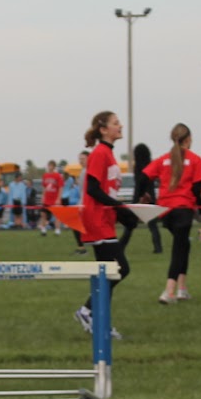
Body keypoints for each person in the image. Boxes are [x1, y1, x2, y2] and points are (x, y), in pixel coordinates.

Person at [74, 111, 131, 339]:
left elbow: (107, 190)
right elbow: (93, 190)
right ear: (104, 129)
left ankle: (99, 321)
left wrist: (121, 211)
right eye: (116, 123)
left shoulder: (108, 153)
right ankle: (88, 311)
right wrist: (119, 206)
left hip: (105, 220)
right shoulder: (100, 153)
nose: (121, 126)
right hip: (97, 221)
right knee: (119, 269)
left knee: (109, 271)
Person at [148, 124, 201, 305]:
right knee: (179, 249)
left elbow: (144, 176)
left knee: (183, 245)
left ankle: (182, 289)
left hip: (165, 211)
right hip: (183, 209)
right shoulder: (195, 159)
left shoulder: (163, 159)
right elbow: (198, 189)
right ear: (188, 139)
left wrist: (149, 197)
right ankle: (169, 291)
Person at [122, 143, 164, 254]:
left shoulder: (138, 167)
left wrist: (139, 197)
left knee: (130, 224)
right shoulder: (151, 165)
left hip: (139, 197)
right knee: (153, 225)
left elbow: (139, 183)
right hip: (150, 196)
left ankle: (121, 245)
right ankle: (158, 248)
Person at [39, 160, 64, 236]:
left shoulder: (57, 176)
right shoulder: (45, 175)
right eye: (49, 165)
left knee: (57, 215)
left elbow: (60, 187)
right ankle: (43, 229)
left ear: (54, 167)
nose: (50, 167)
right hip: (47, 199)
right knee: (43, 214)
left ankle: (57, 230)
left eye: (51, 166)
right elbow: (44, 187)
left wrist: (58, 198)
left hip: (54, 199)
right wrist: (43, 197)